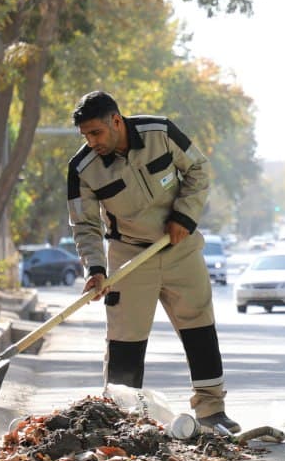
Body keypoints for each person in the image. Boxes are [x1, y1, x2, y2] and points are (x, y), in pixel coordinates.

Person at [67, 90, 240, 434]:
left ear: (116, 121)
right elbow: (85, 225)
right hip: (130, 256)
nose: (92, 142)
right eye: (85, 135)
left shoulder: (160, 132)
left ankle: (211, 410)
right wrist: (96, 269)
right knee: (124, 340)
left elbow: (199, 169)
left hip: (180, 246)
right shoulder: (81, 169)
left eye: (96, 133)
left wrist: (183, 217)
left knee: (199, 329)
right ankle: (121, 416)